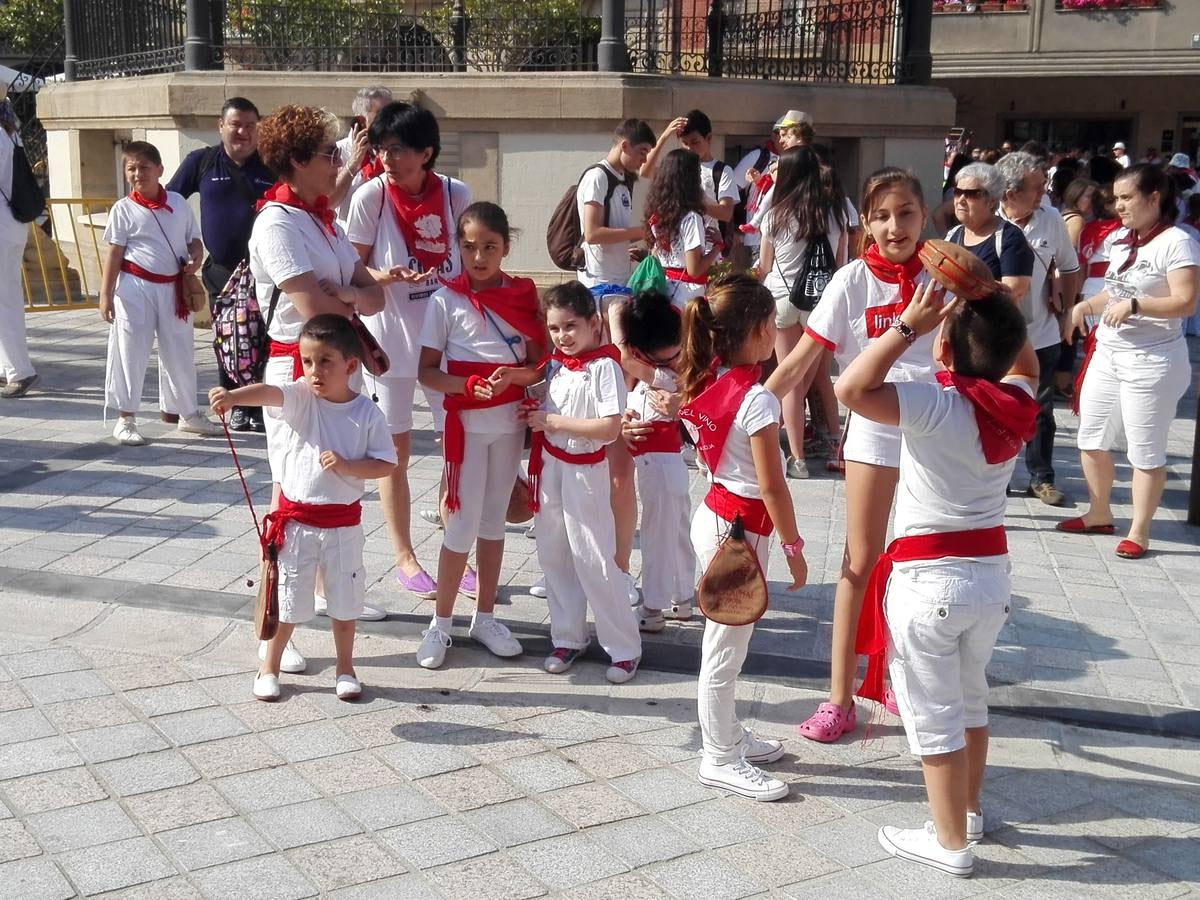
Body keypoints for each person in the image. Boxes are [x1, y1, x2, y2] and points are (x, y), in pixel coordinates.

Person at [836, 283, 1038, 878]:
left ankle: (951, 844)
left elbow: (850, 388)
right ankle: (968, 813)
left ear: (942, 349)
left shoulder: (935, 403)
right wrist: (991, 295)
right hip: (988, 581)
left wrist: (906, 325)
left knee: (935, 717)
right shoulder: (1018, 403)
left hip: (930, 584)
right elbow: (1021, 355)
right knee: (972, 701)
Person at [766, 168, 937, 743]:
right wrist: (748, 410)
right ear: (866, 220)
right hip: (873, 431)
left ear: (924, 215)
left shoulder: (946, 278)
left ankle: (908, 687)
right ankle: (839, 697)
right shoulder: (850, 281)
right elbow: (799, 364)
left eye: (907, 212)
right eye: (884, 215)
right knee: (858, 562)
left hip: (935, 430)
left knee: (922, 565)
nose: (896, 226)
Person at [250, 104, 388, 669]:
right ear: (298, 161)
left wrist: (348, 294)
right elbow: (312, 305)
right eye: (330, 155)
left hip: (341, 365)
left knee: (332, 483)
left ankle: (332, 590)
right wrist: (351, 293)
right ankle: (275, 627)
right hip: (297, 372)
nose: (340, 163)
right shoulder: (278, 222)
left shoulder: (323, 216)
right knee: (292, 495)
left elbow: (367, 293)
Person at [209, 315, 397, 702]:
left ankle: (345, 668)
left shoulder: (366, 414)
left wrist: (348, 467)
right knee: (289, 600)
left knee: (346, 602)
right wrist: (233, 396)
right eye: (308, 361)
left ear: (349, 365)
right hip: (297, 524)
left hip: (344, 525)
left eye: (324, 361)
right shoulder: (300, 398)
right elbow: (270, 393)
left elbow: (386, 464)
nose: (314, 371)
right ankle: (269, 666)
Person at [677, 273, 807, 801]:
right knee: (724, 651)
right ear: (757, 331)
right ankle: (719, 756)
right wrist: (796, 549)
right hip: (740, 532)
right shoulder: (755, 399)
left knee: (725, 643)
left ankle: (727, 733)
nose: (777, 330)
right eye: (773, 322)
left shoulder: (710, 382)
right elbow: (773, 486)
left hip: (716, 516)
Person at [346, 101, 471, 601]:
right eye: (382, 149)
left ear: (427, 152)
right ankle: (404, 555)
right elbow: (350, 272)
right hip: (389, 341)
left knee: (455, 449)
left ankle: (455, 552)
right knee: (394, 450)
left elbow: (471, 261)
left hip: (446, 341)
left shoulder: (455, 194)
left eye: (397, 149)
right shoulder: (370, 197)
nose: (387, 158)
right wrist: (386, 274)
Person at [416, 202, 545, 669]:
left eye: (489, 246)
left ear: (506, 248)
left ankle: (484, 616)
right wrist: (466, 385)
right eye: (468, 246)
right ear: (457, 248)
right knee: (461, 524)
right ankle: (440, 623)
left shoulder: (525, 295)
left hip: (508, 424)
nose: (478, 256)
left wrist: (515, 379)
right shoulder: (443, 300)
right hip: (465, 426)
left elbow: (539, 366)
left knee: (494, 524)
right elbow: (427, 372)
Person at [1061, 165, 1200, 559]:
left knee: (1145, 449)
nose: (1117, 205)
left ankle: (1139, 530)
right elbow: (1115, 291)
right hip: (1109, 353)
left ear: (1154, 197)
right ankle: (1099, 513)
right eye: (1116, 198)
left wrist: (1138, 305)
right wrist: (1085, 306)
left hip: (1153, 360)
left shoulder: (1179, 242)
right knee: (1090, 437)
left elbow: (1185, 301)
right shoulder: (1121, 239)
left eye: (1127, 198)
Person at [523, 282, 642, 683]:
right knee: (554, 555)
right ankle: (568, 636)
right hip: (551, 468)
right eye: (555, 329)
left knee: (594, 558)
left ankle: (624, 645)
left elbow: (609, 428)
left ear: (595, 324)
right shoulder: (555, 365)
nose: (563, 337)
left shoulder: (605, 366)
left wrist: (552, 421)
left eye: (571, 326)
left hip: (586, 472)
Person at [98, 141, 219, 445]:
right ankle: (125, 418)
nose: (138, 173)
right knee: (130, 350)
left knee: (180, 349)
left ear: (160, 170)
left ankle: (187, 413)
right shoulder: (123, 209)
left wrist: (196, 256)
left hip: (173, 289)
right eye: (132, 168)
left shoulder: (178, 203)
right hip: (134, 288)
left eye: (144, 167)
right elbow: (115, 254)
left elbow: (193, 240)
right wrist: (105, 294)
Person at [168, 96, 276, 431]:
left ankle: (260, 406)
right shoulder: (201, 162)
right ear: (221, 126)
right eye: (236, 124)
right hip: (222, 272)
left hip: (267, 270)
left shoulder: (272, 164)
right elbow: (170, 203)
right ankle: (236, 405)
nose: (243, 131)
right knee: (229, 339)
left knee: (264, 339)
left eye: (250, 125)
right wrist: (189, 242)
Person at [757, 145, 848, 480]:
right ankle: (819, 441)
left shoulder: (775, 215)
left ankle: (795, 457)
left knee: (790, 377)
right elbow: (839, 262)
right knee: (806, 376)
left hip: (781, 299)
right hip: (821, 305)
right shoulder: (834, 215)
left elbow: (764, 266)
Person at [996, 151, 1081, 507]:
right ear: (1011, 192)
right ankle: (994, 480)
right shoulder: (986, 221)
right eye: (1037, 186)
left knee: (1041, 408)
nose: (1045, 190)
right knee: (993, 407)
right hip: (995, 337)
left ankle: (1041, 478)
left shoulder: (1051, 219)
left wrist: (1068, 312)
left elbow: (1071, 267)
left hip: (1042, 332)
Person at [619, 290, 695, 632]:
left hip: (661, 465)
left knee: (658, 535)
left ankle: (653, 606)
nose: (673, 361)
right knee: (675, 531)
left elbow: (626, 357)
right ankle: (681, 597)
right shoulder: (660, 373)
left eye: (675, 354)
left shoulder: (665, 375)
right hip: (662, 464)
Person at [576, 118, 657, 306]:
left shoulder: (623, 179)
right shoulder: (598, 177)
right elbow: (592, 233)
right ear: (625, 146)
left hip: (619, 277)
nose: (644, 160)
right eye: (642, 152)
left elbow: (615, 230)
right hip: (599, 281)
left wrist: (626, 244)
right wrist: (642, 231)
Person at [945, 162, 1033, 300]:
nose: (961, 200)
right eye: (957, 192)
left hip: (992, 321)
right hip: (954, 320)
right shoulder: (953, 234)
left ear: (991, 201)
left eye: (972, 194)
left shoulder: (1010, 237)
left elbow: (1012, 293)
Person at [645, 149, 719, 306]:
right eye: (697, 172)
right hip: (687, 296)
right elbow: (694, 270)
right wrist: (718, 247)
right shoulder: (691, 218)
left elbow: (656, 254)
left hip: (663, 289)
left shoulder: (658, 215)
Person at [0, 98, 36, 399]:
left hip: (2, 224)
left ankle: (18, 370)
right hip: (10, 223)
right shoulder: (9, 130)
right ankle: (7, 366)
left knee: (5, 300)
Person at [678, 109, 740, 255]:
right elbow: (646, 171)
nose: (689, 148)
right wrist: (666, 134)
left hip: (708, 251)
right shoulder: (677, 166)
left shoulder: (722, 170)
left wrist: (692, 204)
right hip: (680, 249)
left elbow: (726, 213)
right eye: (685, 143)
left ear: (709, 138)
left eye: (695, 142)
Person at [331, 86, 393, 221]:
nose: (390, 121)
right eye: (381, 115)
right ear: (361, 120)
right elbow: (329, 202)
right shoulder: (336, 152)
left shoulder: (396, 150)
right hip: (350, 237)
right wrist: (353, 163)